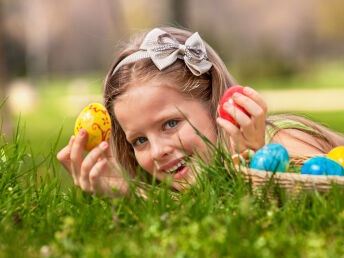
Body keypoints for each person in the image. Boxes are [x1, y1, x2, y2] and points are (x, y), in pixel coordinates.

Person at [57, 27, 344, 196]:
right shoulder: (188, 188)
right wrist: (129, 192)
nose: (157, 151)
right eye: (139, 141)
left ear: (217, 105)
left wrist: (254, 165)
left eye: (170, 124)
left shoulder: (284, 144)